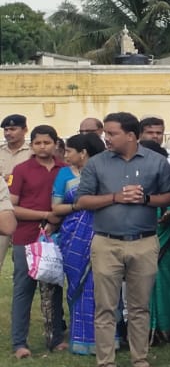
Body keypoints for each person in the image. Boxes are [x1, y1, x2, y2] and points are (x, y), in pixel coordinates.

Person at [74, 111, 170, 367]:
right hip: (106, 242)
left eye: (112, 133)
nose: (106, 138)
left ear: (130, 136)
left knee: (140, 306)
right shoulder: (97, 164)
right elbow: (82, 201)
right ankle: (107, 366)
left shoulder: (157, 162)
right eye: (106, 133)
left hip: (144, 242)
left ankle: (140, 361)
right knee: (106, 307)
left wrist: (146, 199)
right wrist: (115, 197)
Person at [9, 124, 64, 357]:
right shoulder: (21, 169)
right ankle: (19, 343)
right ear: (31, 145)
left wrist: (54, 222)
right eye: (38, 143)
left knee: (53, 289)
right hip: (26, 237)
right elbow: (12, 207)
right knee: (24, 289)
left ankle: (57, 339)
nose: (43, 147)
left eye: (47, 142)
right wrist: (44, 216)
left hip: (56, 236)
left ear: (55, 143)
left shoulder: (65, 169)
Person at [52, 132, 102, 355]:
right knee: (76, 285)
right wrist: (80, 206)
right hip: (74, 234)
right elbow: (56, 208)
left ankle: (106, 338)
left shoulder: (104, 171)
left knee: (101, 286)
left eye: (70, 151)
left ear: (83, 153)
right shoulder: (64, 173)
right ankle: (80, 337)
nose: (66, 154)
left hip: (101, 231)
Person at [0, 114, 28, 182]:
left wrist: (12, 178)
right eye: (6, 130)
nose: (8, 133)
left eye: (13, 129)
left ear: (25, 130)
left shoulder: (33, 152)